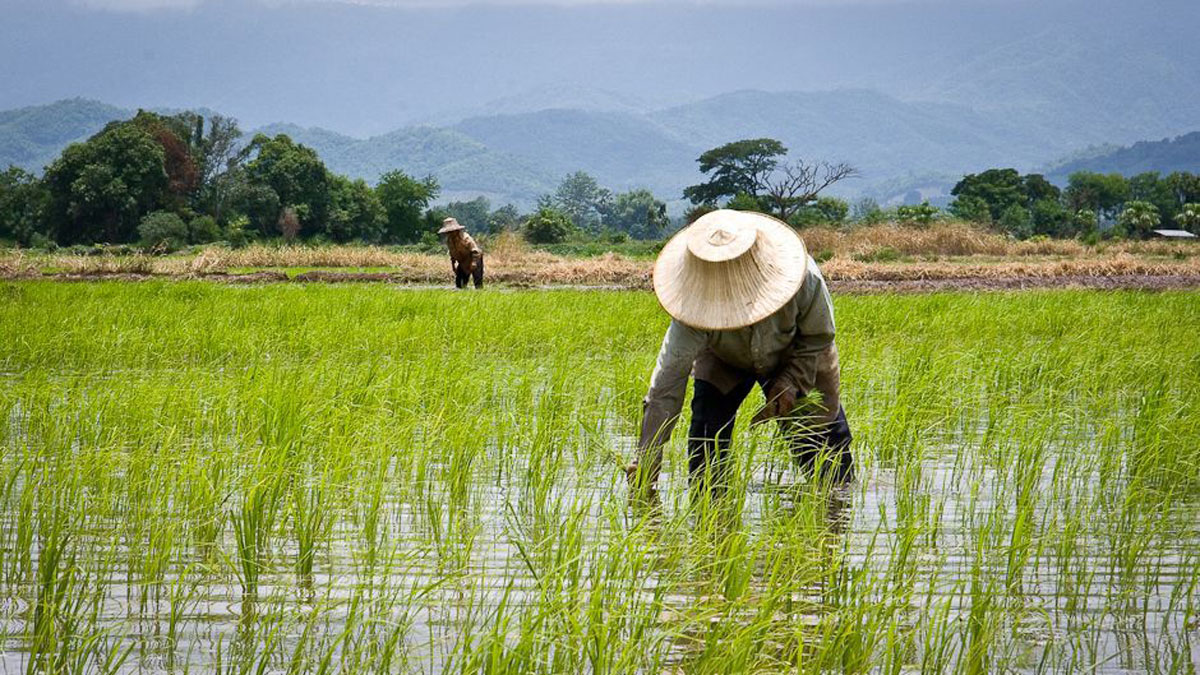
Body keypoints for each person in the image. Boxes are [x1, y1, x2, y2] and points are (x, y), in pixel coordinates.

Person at [626, 209, 852, 499]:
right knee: (706, 448)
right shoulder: (691, 309)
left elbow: (818, 336)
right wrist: (647, 459)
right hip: (723, 359)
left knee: (828, 458)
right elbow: (666, 387)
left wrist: (790, 381)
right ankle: (712, 524)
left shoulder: (803, 278)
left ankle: (833, 515)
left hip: (796, 354)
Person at [438, 217, 484, 289]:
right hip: (462, 261)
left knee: (477, 280)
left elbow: (475, 251)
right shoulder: (449, 241)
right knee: (459, 284)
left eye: (451, 232)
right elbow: (452, 254)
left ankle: (479, 292)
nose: (450, 234)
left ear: (456, 231)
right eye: (448, 232)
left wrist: (474, 262)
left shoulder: (466, 238)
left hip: (474, 258)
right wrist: (453, 266)